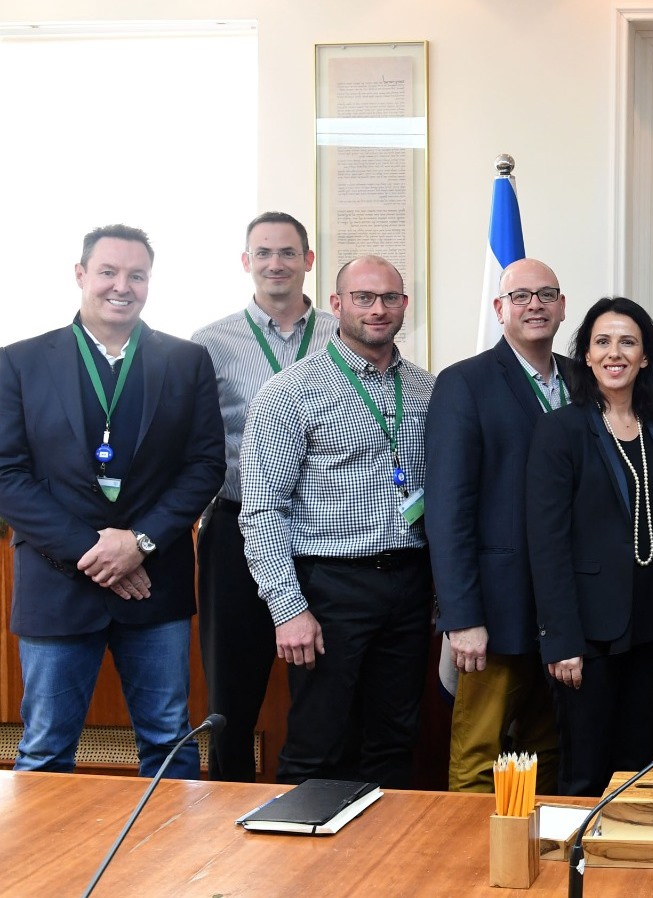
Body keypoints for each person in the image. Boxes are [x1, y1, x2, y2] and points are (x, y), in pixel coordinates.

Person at [0, 224, 225, 777]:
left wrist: (140, 543)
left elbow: (205, 468)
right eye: (108, 272)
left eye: (136, 275)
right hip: (58, 587)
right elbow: (7, 475)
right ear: (81, 275)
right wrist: (96, 552)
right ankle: (44, 868)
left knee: (168, 740)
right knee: (46, 747)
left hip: (155, 588)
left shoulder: (186, 361)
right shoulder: (19, 363)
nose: (122, 286)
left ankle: (171, 868)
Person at [240, 254, 435, 787]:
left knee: (395, 740)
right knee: (319, 744)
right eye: (363, 298)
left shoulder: (426, 390)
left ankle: (387, 865)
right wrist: (288, 610)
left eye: (389, 298)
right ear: (336, 305)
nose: (378, 309)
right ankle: (305, 868)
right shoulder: (289, 393)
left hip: (409, 584)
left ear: (404, 306)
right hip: (329, 589)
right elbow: (260, 511)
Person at [191, 212, 338, 782]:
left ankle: (314, 796)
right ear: (246, 262)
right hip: (237, 528)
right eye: (263, 253)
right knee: (233, 682)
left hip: (324, 533)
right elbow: (196, 446)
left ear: (308, 260)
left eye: (287, 252)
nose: (275, 263)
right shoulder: (209, 344)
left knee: (323, 675)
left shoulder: (341, 332)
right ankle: (227, 798)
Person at [426, 258, 569, 795]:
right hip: (495, 608)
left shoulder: (582, 377)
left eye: (546, 294)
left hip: (561, 608)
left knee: (548, 745)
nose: (535, 304)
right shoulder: (466, 383)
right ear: (499, 308)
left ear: (562, 306)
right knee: (480, 753)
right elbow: (448, 508)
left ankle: (539, 861)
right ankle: (470, 869)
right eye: (521, 295)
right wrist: (461, 616)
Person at [527, 297, 653, 796]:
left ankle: (631, 874)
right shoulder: (560, 431)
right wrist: (561, 638)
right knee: (586, 772)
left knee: (640, 769)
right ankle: (577, 872)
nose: (615, 353)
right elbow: (546, 544)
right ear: (586, 356)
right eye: (603, 342)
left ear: (645, 356)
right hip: (587, 637)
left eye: (628, 342)